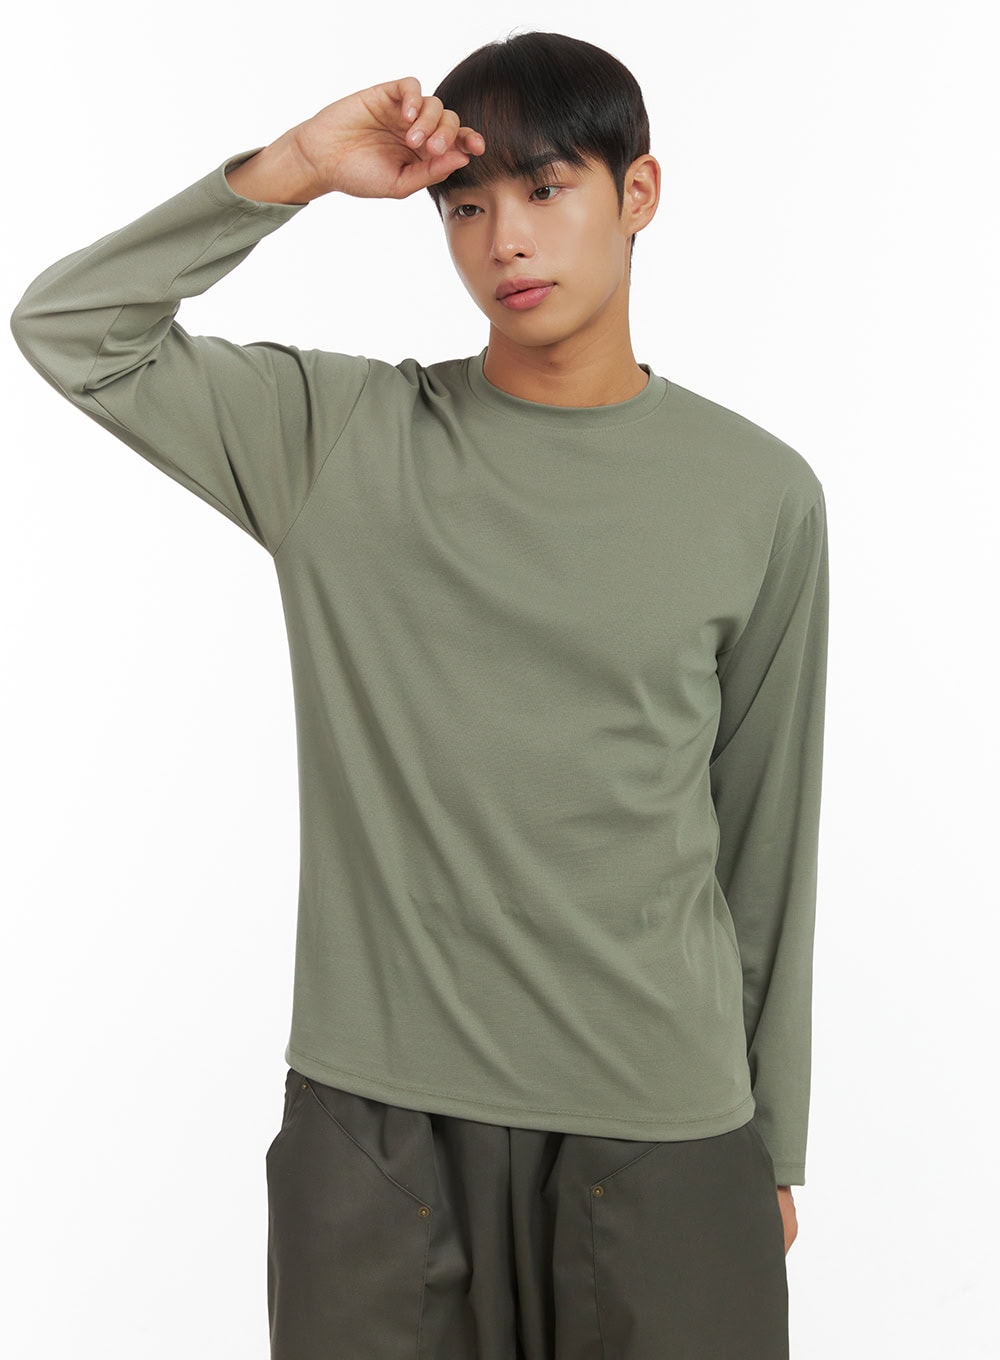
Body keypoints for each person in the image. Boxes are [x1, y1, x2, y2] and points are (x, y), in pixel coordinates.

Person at [10, 29, 829, 1360]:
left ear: (638, 193)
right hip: (379, 1134)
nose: (506, 239)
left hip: (662, 1131)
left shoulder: (759, 494)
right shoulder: (340, 443)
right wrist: (293, 166)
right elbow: (73, 332)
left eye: (546, 188)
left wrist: (772, 1144)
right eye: (465, 205)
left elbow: (767, 832)